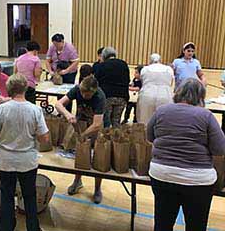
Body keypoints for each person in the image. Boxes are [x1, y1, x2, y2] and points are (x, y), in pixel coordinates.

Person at [147, 78, 225, 231]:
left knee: (162, 224)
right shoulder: (206, 115)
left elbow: (150, 137)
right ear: (200, 96)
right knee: (196, 225)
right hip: (197, 180)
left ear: (177, 93)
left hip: (162, 174)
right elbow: (220, 149)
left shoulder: (161, 110)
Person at [0, 74, 50, 231]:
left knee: (7, 196)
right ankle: (33, 228)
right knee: (29, 196)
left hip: (5, 161)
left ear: (9, 89)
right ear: (25, 88)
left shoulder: (2, 109)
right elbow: (45, 139)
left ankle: (6, 227)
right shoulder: (35, 110)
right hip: (27, 161)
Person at [55, 76, 106, 203]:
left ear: (94, 91)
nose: (84, 95)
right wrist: (68, 114)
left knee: (97, 158)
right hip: (81, 123)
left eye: (87, 94)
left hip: (96, 127)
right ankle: (77, 181)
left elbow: (97, 124)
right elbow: (58, 104)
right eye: (82, 92)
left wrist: (83, 135)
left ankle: (97, 189)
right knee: (80, 154)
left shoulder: (100, 96)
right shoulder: (77, 89)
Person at [94, 47, 130, 128]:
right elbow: (128, 80)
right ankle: (116, 138)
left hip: (107, 96)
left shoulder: (102, 65)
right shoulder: (124, 64)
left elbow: (96, 81)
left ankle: (105, 139)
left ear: (104, 56)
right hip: (122, 96)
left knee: (105, 122)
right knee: (116, 121)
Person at [46, 33, 79, 111]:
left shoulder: (70, 48)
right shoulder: (52, 47)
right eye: (54, 44)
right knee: (58, 91)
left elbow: (76, 62)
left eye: (57, 44)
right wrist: (50, 71)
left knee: (67, 92)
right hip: (57, 72)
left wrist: (66, 71)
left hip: (70, 72)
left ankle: (67, 110)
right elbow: (47, 61)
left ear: (62, 41)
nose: (56, 46)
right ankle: (60, 110)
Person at [137, 54, 174, 124]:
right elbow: (170, 83)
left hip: (147, 95)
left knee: (145, 121)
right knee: (163, 122)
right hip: (165, 95)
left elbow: (142, 82)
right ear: (160, 60)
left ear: (150, 60)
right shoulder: (169, 69)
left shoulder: (145, 69)